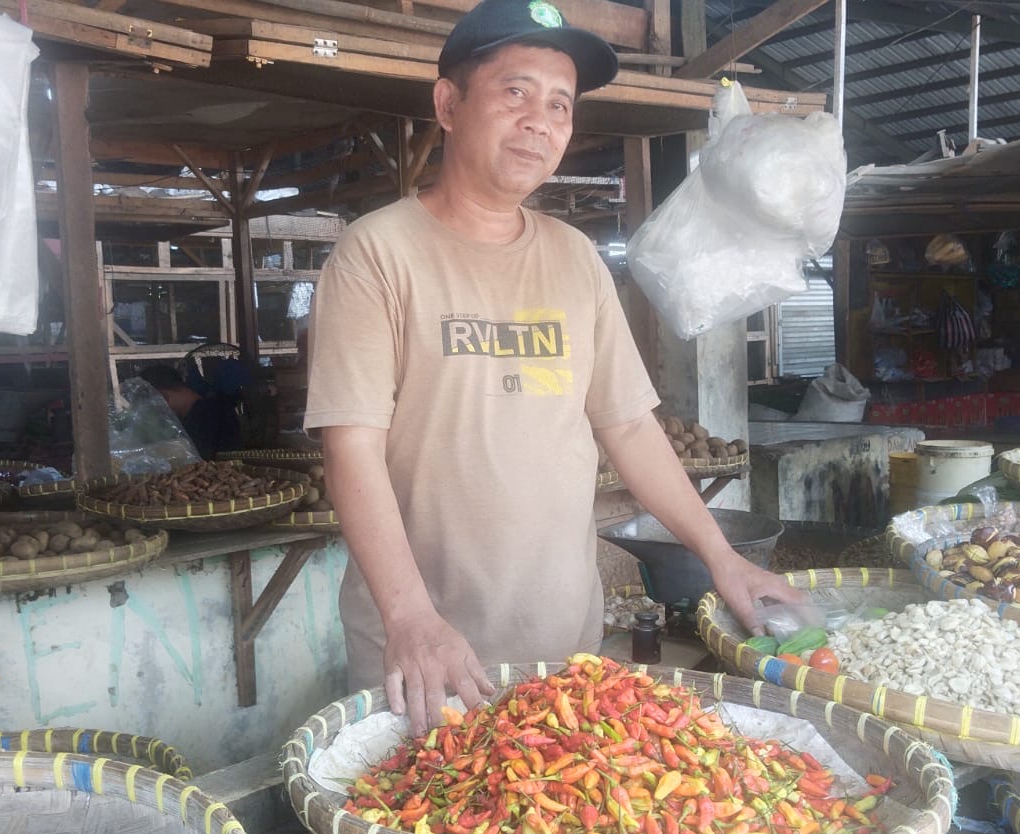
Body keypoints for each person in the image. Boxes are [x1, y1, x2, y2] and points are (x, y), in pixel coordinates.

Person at [305, 0, 809, 735]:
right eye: (515, 92)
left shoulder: (576, 259)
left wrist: (720, 557)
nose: (539, 121)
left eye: (559, 104)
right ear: (448, 104)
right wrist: (411, 619)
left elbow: (629, 427)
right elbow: (350, 447)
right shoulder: (376, 254)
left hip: (566, 656)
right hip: (429, 660)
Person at [136, 364, 243, 460]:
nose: (159, 415)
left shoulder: (208, 414)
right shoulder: (207, 409)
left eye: (152, 407)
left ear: (163, 397)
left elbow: (200, 461)